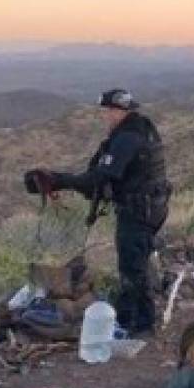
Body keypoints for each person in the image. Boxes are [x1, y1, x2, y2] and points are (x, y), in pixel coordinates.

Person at [24, 88, 171, 335]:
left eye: (109, 111)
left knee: (132, 268)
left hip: (138, 211)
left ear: (118, 111)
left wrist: (60, 180)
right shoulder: (141, 129)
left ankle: (138, 325)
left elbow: (99, 178)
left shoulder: (127, 139)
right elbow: (109, 179)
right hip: (151, 207)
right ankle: (133, 318)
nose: (106, 116)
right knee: (135, 264)